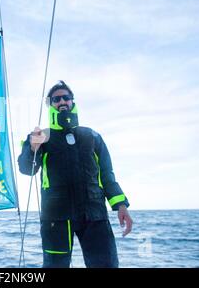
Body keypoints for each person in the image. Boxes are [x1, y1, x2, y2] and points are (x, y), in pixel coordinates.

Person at [18, 80, 133, 268]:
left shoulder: (92, 136)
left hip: (94, 214)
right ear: (50, 104)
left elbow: (107, 174)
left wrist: (120, 205)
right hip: (56, 217)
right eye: (56, 99)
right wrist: (32, 148)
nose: (62, 101)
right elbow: (26, 169)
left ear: (72, 102)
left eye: (66, 97)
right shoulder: (40, 136)